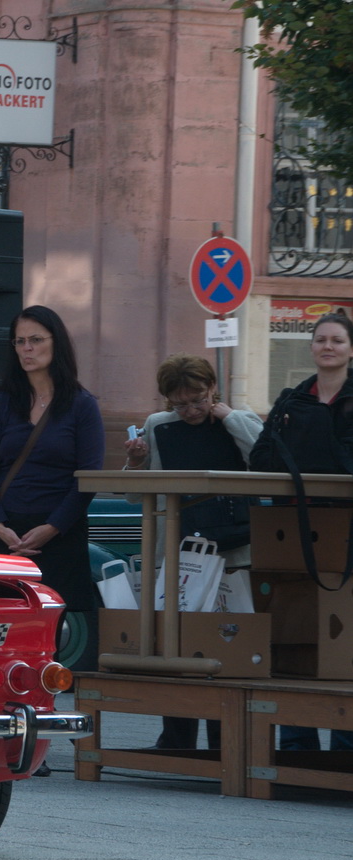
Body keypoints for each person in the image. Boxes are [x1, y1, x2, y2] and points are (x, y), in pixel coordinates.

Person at [124, 353, 261, 752]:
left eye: (198, 399)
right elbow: (136, 493)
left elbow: (266, 458)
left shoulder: (238, 419)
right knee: (176, 641)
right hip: (179, 548)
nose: (190, 410)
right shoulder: (159, 426)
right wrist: (135, 462)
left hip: (233, 547)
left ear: (212, 389)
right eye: (180, 403)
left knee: (228, 641)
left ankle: (225, 739)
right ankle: (176, 737)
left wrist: (229, 416)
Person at [0, 305, 104, 669]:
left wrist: (50, 529)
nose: (26, 349)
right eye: (19, 342)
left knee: (44, 648)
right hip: (5, 538)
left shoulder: (81, 405)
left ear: (55, 343)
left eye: (35, 340)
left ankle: (37, 716)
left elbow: (88, 477)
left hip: (57, 540)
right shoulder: (3, 404)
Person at [248, 311, 353, 751]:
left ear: (350, 349)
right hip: (295, 530)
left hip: (346, 532)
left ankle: (346, 746)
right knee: (295, 632)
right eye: (320, 340)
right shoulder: (292, 400)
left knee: (345, 639)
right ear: (311, 347)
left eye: (337, 340)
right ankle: (295, 745)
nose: (327, 346)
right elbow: (261, 458)